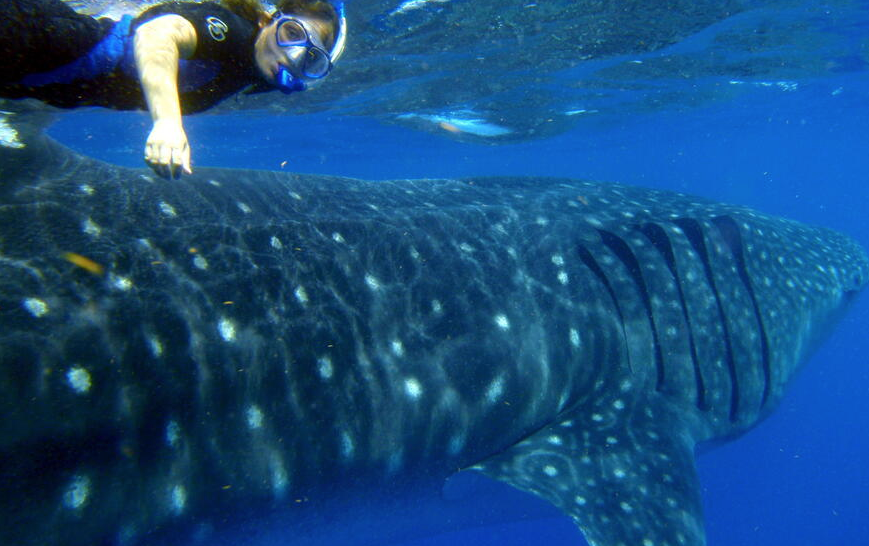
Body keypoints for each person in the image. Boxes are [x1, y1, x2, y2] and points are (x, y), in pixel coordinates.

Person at [0, 0, 347, 177]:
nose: (292, 55)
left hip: (41, 79)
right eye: (291, 34)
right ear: (266, 21)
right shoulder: (230, 30)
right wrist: (167, 122)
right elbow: (156, 34)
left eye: (310, 58)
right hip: (47, 40)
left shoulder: (253, 72)